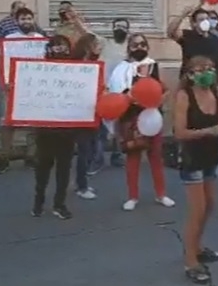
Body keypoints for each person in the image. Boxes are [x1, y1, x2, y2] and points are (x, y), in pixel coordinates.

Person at [174, 55, 218, 284]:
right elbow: (180, 132)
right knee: (197, 209)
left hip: (212, 155)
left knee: (210, 205)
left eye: (209, 68)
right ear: (190, 75)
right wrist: (211, 131)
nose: (206, 73)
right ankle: (190, 261)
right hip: (192, 157)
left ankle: (197, 246)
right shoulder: (184, 96)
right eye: (200, 69)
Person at [109, 33, 175, 211]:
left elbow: (164, 89)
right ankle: (132, 197)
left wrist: (160, 99)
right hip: (130, 119)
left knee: (156, 157)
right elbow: (116, 93)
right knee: (133, 158)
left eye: (143, 44)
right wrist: (130, 99)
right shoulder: (121, 69)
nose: (139, 47)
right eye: (135, 44)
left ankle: (161, 194)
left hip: (152, 118)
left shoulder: (153, 66)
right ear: (129, 48)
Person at [0, 7, 46, 175]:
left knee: (34, 124)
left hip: (34, 88)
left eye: (29, 18)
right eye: (23, 19)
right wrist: (6, 82)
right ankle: (4, 158)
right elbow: (3, 63)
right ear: (17, 21)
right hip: (12, 87)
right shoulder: (9, 40)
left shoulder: (41, 40)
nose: (27, 21)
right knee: (8, 124)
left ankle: (31, 156)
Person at [31, 35, 77, 219]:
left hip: (67, 129)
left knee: (64, 169)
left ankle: (59, 204)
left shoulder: (77, 69)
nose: (60, 49)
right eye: (56, 46)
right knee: (43, 167)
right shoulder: (40, 69)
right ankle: (38, 202)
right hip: (46, 128)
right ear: (49, 49)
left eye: (63, 46)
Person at [91, 18, 129, 172]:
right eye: (117, 26)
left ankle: (117, 155)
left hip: (122, 92)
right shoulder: (105, 43)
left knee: (119, 127)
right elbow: (87, 33)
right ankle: (98, 159)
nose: (120, 29)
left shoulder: (130, 47)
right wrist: (75, 19)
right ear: (112, 28)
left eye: (123, 27)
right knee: (101, 128)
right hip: (103, 91)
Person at [70, 34, 103, 200]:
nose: (99, 47)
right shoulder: (76, 65)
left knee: (90, 148)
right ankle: (81, 186)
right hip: (79, 113)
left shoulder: (95, 64)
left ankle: (81, 182)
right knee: (84, 150)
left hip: (93, 112)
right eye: (96, 44)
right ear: (88, 47)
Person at [167, 6, 218, 86]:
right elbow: (171, 32)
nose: (205, 22)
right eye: (201, 20)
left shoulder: (216, 38)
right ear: (194, 23)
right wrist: (183, 15)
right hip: (191, 82)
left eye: (207, 19)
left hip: (213, 83)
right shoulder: (188, 36)